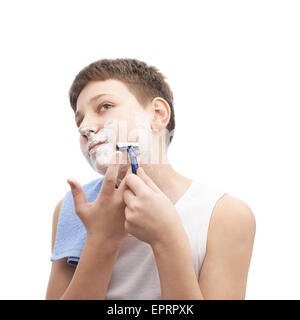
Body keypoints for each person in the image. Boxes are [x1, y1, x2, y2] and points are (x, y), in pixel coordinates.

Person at [45, 58, 256, 300]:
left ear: (158, 114)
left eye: (104, 106)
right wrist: (101, 239)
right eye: (79, 120)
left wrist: (167, 238)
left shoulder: (224, 215)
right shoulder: (73, 209)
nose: (86, 127)